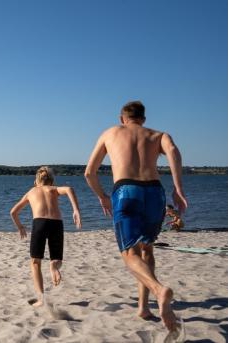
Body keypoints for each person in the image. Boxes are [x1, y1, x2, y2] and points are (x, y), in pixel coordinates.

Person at [84, 100, 188, 332]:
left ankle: (159, 290)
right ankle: (143, 307)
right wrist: (178, 188)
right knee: (146, 248)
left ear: (122, 118)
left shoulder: (111, 132)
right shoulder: (158, 135)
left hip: (126, 190)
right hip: (155, 192)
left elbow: (89, 173)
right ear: (144, 118)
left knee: (130, 253)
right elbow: (173, 151)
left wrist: (102, 196)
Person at [10, 166, 82, 307]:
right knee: (56, 259)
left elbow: (13, 212)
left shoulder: (32, 191)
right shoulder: (53, 189)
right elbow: (69, 189)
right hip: (56, 223)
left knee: (35, 262)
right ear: (51, 180)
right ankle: (54, 267)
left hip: (40, 223)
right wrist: (76, 210)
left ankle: (41, 299)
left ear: (36, 181)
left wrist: (20, 227)